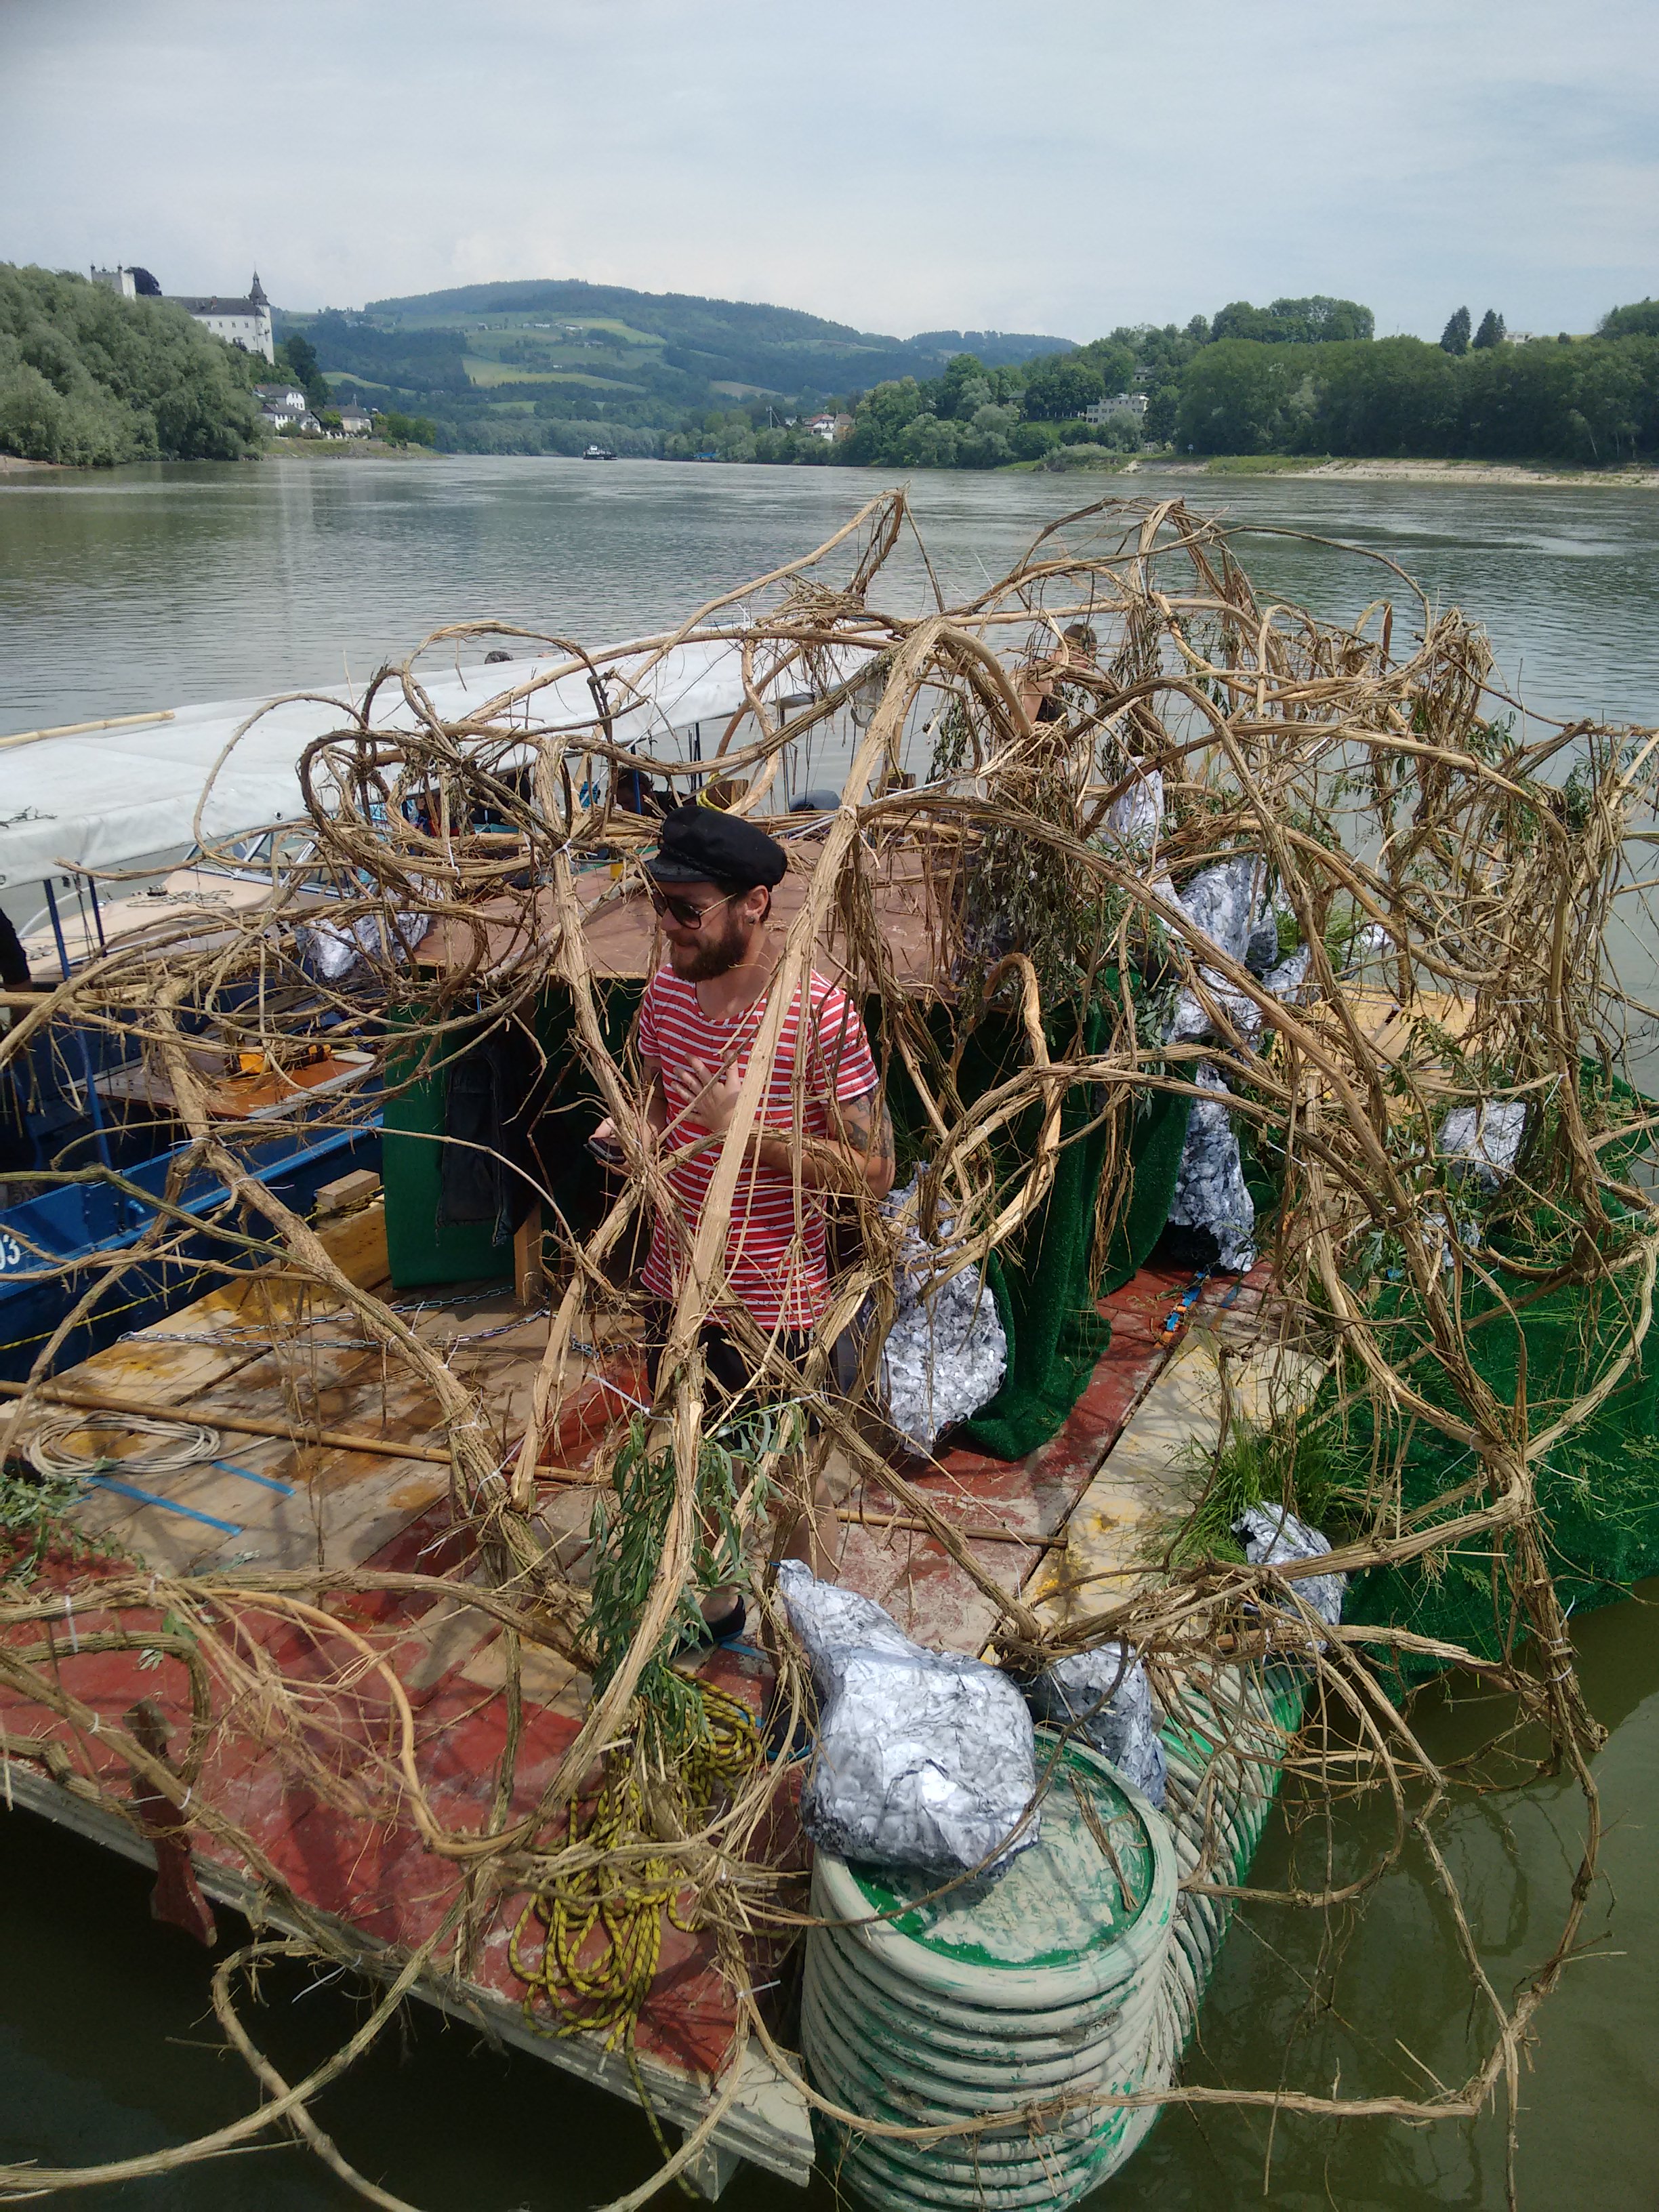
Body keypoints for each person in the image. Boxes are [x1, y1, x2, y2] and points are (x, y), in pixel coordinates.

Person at [593, 802, 895, 1635]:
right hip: (677, 1287)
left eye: (688, 910)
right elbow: (657, 1105)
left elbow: (875, 1171)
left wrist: (745, 1137)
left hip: (779, 1307)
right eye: (660, 903)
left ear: (755, 904)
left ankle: (814, 1646)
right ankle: (720, 1611)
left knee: (797, 1484)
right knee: (696, 1466)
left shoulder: (821, 1014)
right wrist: (632, 1135)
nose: (669, 927)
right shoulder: (663, 995)